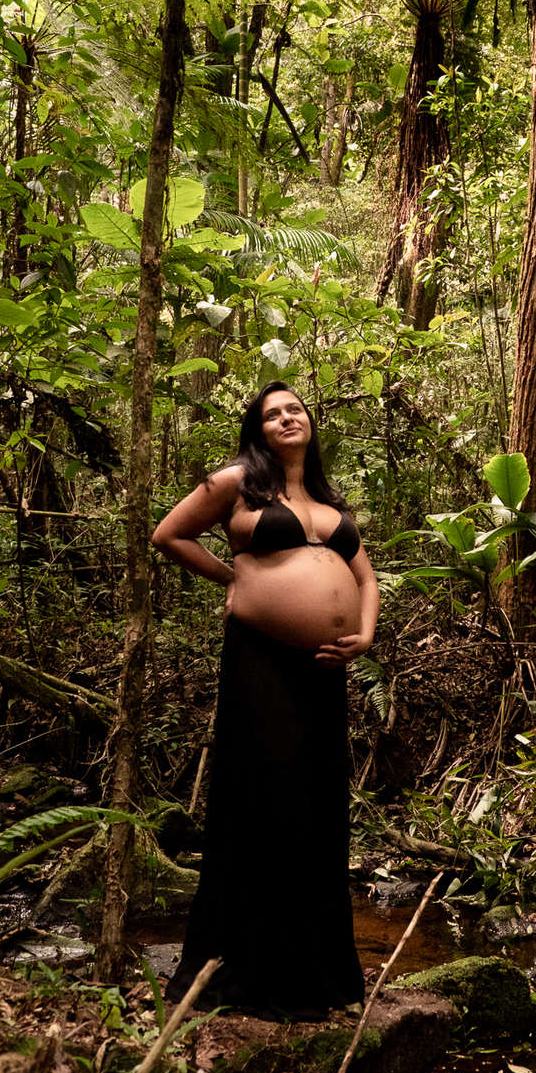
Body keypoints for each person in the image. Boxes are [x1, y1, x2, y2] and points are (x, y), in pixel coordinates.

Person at [151, 380, 378, 1016]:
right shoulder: (235, 483)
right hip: (261, 663)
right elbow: (169, 535)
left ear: (310, 423)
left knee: (317, 801)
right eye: (271, 414)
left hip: (324, 670)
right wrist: (238, 581)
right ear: (258, 430)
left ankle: (316, 972)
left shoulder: (329, 502)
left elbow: (364, 576)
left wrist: (364, 634)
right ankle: (249, 970)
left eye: (294, 409)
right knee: (267, 794)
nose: (285, 419)